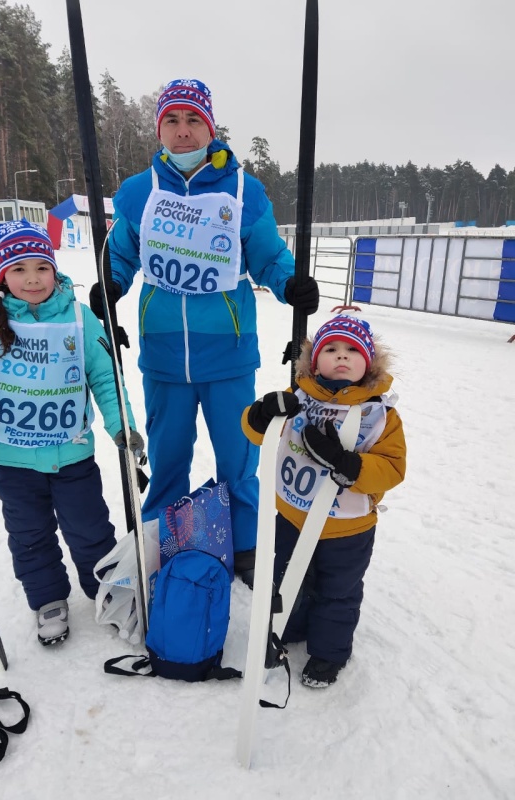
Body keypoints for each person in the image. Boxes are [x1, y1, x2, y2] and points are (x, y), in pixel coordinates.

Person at [89, 78, 319, 585]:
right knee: (169, 457)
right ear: (159, 130)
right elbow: (122, 254)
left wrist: (290, 283)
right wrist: (111, 283)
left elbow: (267, 256)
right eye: (172, 120)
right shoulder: (138, 193)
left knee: (237, 458)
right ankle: (160, 543)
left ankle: (245, 547)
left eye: (194, 120)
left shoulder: (241, 190)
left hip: (228, 353)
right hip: (164, 353)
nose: (183, 131)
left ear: (210, 128)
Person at [0, 219, 144, 646]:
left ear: (55, 270)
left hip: (73, 454)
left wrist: (124, 428)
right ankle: (47, 600)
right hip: (13, 461)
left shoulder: (81, 319)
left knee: (90, 529)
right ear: (2, 274)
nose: (32, 278)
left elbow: (105, 379)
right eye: (19, 268)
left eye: (41, 267)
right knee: (30, 536)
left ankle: (105, 591)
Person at [242, 315, 406, 686]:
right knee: (288, 580)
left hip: (347, 527)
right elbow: (255, 433)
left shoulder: (379, 414)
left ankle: (328, 653)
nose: (341, 356)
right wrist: (262, 413)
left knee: (338, 591)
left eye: (352, 350)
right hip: (292, 516)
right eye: (331, 349)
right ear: (315, 362)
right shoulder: (299, 398)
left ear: (368, 363)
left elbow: (393, 467)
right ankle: (288, 628)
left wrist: (351, 465)